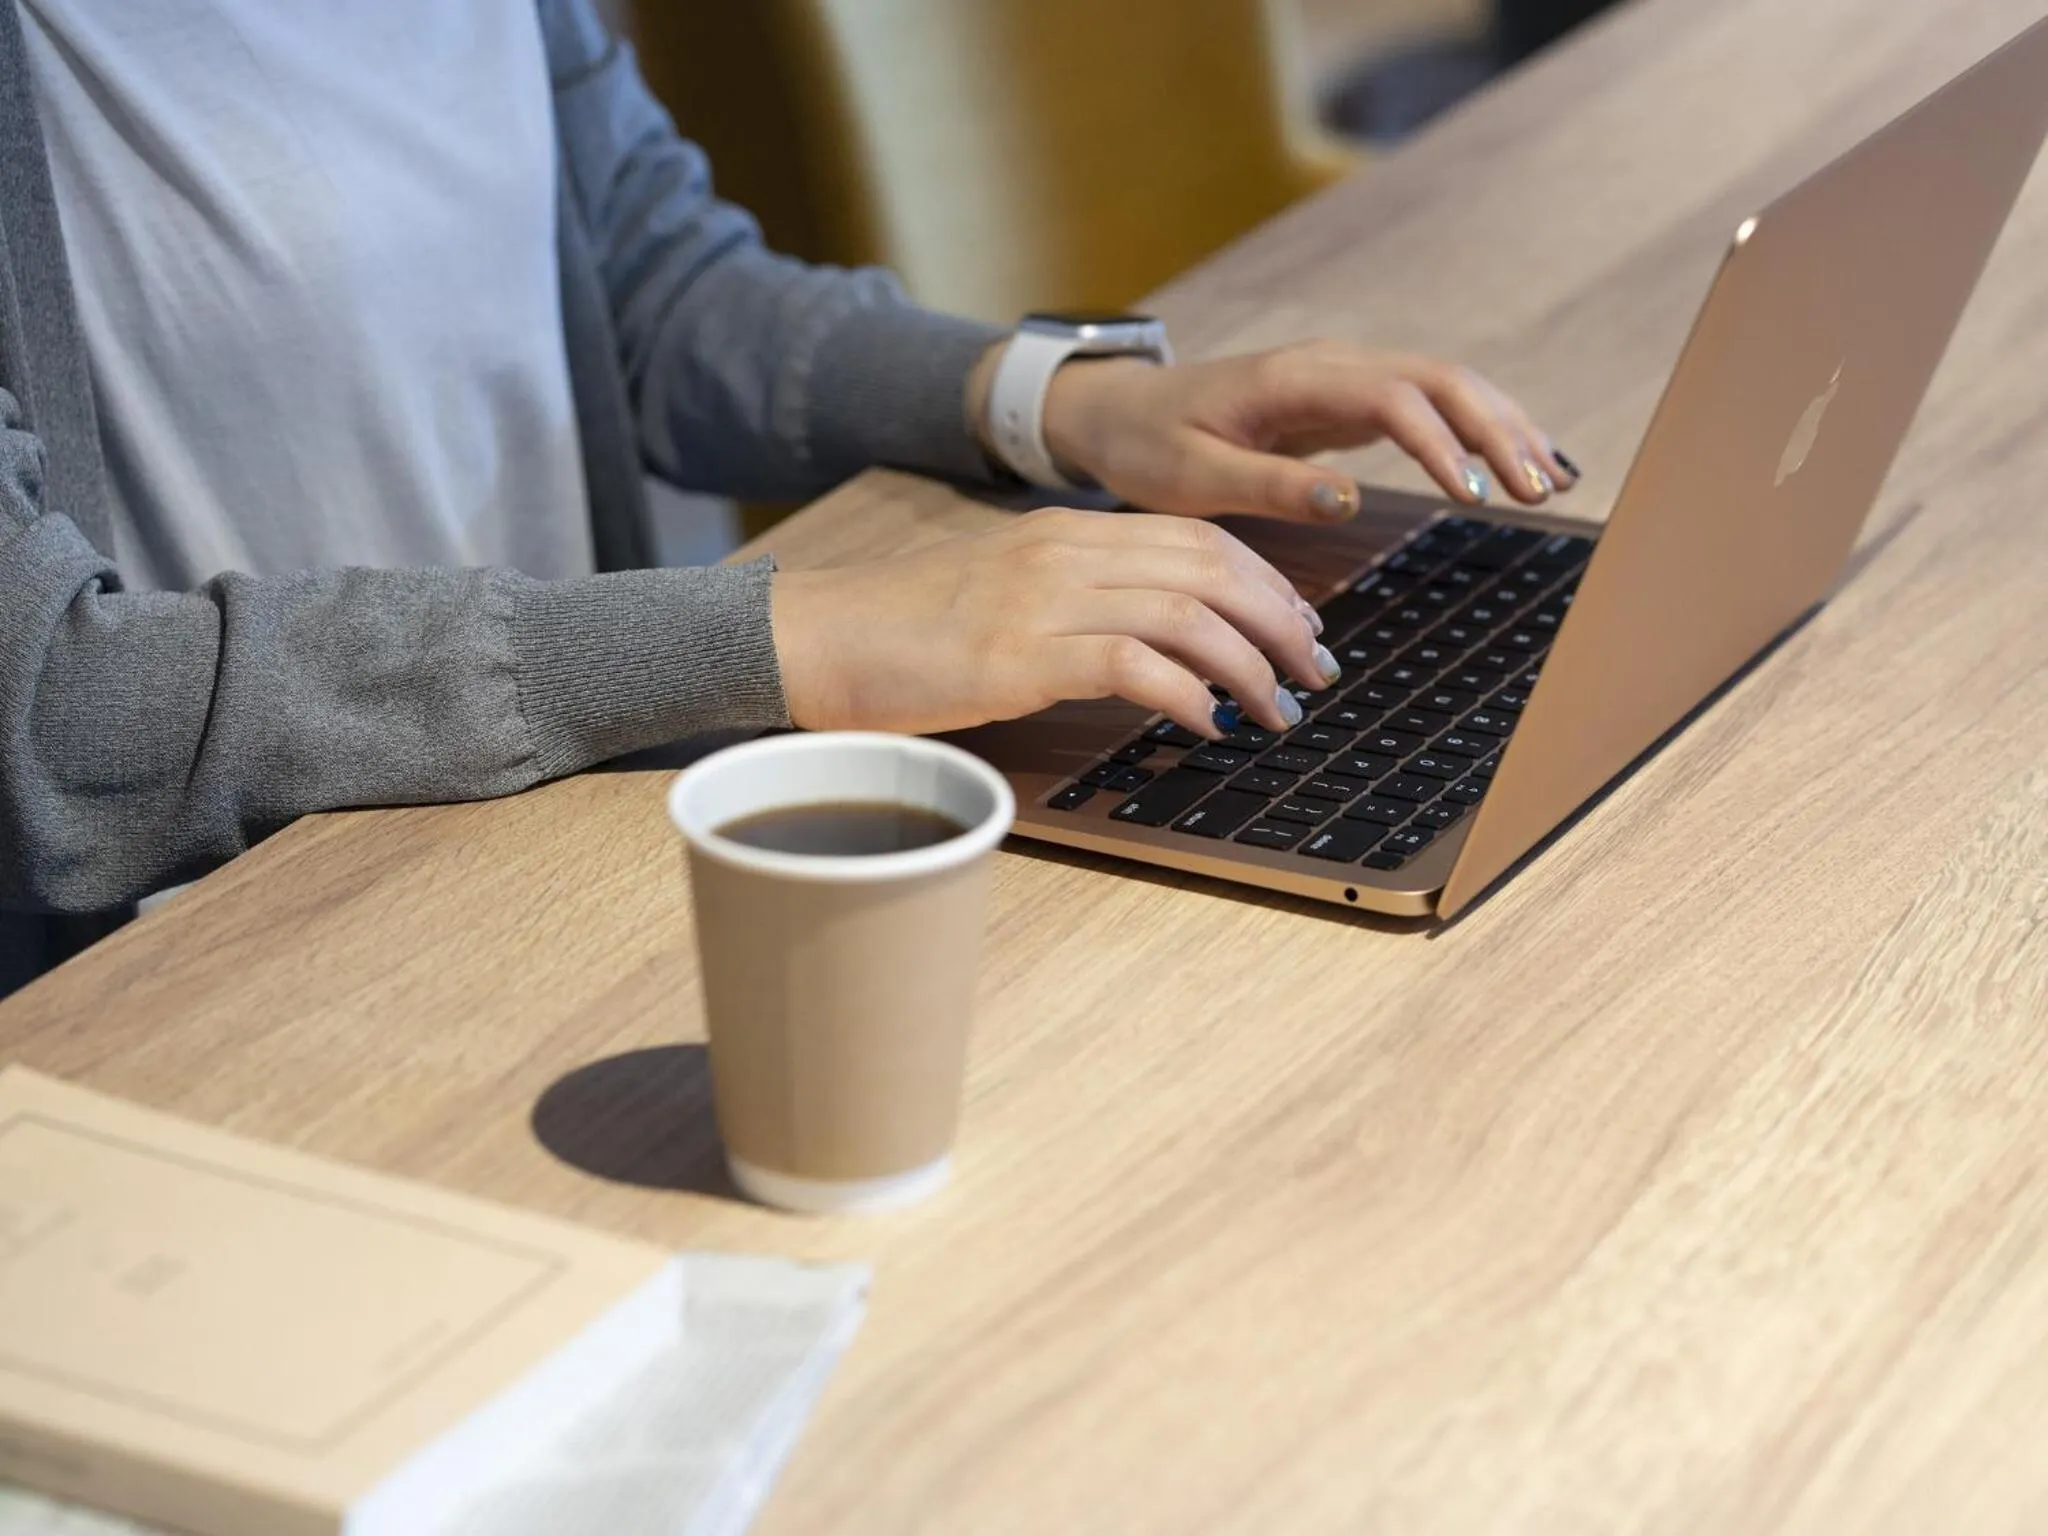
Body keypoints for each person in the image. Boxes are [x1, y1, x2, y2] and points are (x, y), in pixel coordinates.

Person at [0, 0, 1575, 992]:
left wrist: (1067, 403)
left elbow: (650, 280)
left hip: (558, 853)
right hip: (217, 971)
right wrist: (791, 640)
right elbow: (58, 711)